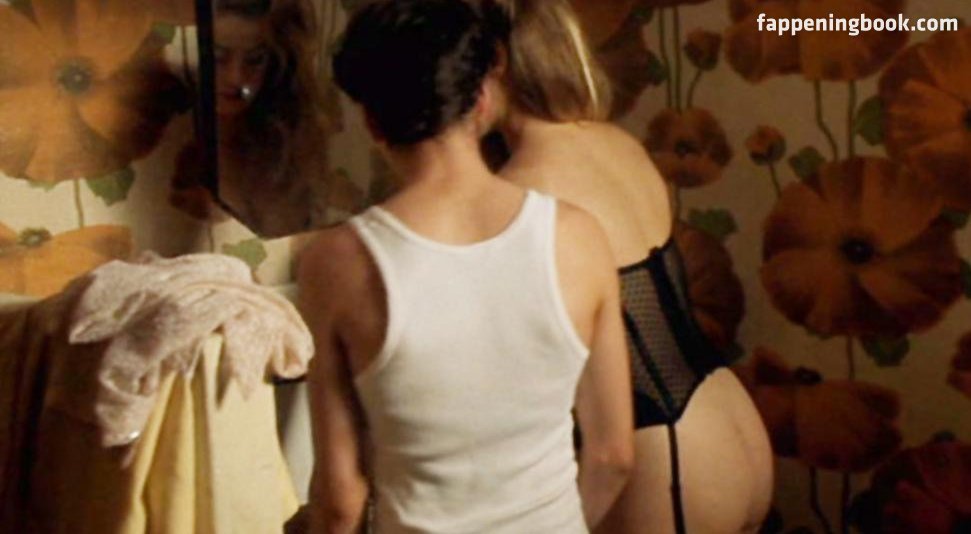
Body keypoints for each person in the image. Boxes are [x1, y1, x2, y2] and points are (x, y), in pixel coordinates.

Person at [296, 0, 634, 532]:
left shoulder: (335, 263)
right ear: (481, 99)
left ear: (372, 122)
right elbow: (613, 455)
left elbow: (341, 499)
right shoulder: (579, 237)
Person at [491, 1, 774, 533]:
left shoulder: (517, 193)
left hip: (668, 462)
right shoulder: (617, 144)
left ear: (494, 66)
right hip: (729, 420)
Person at [172, 0, 329, 237]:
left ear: (275, 64)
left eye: (255, 60)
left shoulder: (289, 143)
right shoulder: (170, 139)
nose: (235, 78)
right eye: (218, 57)